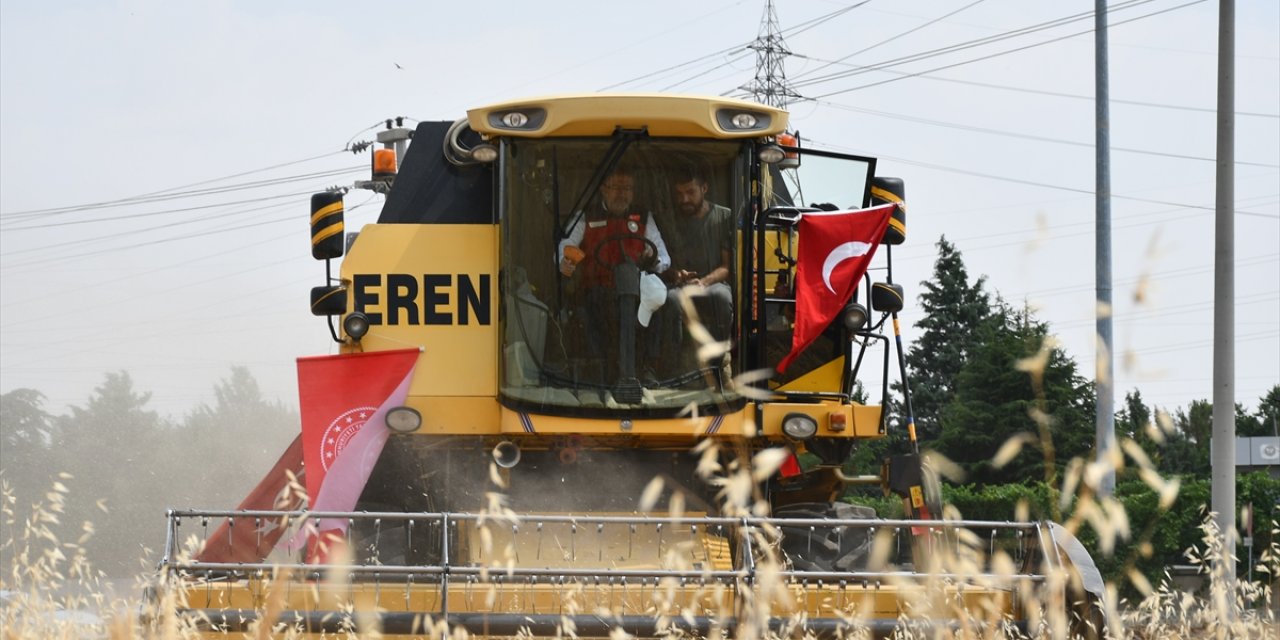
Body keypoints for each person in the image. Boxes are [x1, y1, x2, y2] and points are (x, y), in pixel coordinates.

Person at [557, 167, 671, 385]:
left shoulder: (644, 217)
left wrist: (654, 259)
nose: (622, 194)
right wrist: (565, 261)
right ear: (603, 189)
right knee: (594, 307)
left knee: (660, 304)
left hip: (636, 290)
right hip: (598, 289)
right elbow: (565, 246)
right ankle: (601, 371)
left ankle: (648, 369)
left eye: (627, 188)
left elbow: (664, 257)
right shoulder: (586, 215)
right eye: (617, 187)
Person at [660, 167, 734, 353]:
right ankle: (673, 361)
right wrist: (676, 275)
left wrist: (703, 282)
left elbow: (727, 266)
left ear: (704, 189)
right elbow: (660, 263)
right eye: (679, 194)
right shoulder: (668, 220)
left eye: (690, 192)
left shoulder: (724, 217)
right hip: (678, 285)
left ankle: (718, 359)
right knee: (670, 300)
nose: (684, 199)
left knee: (722, 297)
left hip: (713, 283)